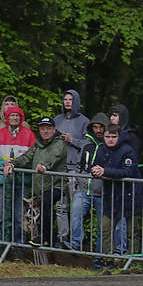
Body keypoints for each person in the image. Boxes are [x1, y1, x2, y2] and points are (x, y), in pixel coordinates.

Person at [0, 102, 35, 248]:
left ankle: (18, 247)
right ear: (7, 117)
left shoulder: (29, 135)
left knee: (19, 217)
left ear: (21, 118)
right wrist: (4, 164)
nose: (14, 118)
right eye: (12, 115)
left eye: (17, 115)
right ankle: (2, 246)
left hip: (21, 182)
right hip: (2, 181)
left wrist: (16, 164)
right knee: (1, 216)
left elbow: (32, 157)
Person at [91, 121, 141, 267]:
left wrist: (104, 171)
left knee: (133, 232)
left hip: (131, 195)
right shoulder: (101, 149)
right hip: (111, 196)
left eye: (113, 136)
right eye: (107, 136)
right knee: (106, 229)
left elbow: (127, 172)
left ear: (119, 136)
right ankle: (108, 260)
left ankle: (133, 261)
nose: (110, 139)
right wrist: (94, 170)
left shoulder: (128, 151)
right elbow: (94, 165)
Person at [18, 116, 67, 252]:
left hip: (56, 185)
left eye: (48, 128)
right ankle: (47, 238)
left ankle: (46, 238)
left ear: (54, 129)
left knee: (46, 202)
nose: (45, 131)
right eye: (42, 128)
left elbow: (54, 157)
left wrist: (44, 167)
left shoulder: (59, 143)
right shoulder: (37, 144)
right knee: (37, 211)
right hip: (40, 187)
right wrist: (12, 164)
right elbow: (26, 157)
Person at [66, 112, 110, 257]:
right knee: (75, 214)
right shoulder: (86, 143)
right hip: (84, 189)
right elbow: (79, 164)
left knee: (102, 226)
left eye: (101, 127)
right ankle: (75, 246)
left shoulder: (109, 145)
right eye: (95, 127)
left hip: (103, 192)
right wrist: (79, 182)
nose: (98, 130)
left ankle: (100, 256)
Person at [53, 88, 89, 242]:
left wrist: (72, 140)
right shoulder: (57, 120)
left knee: (76, 208)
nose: (67, 102)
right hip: (59, 168)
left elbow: (88, 144)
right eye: (65, 99)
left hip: (75, 169)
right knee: (60, 206)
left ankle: (77, 241)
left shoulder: (84, 121)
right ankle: (63, 238)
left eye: (70, 100)